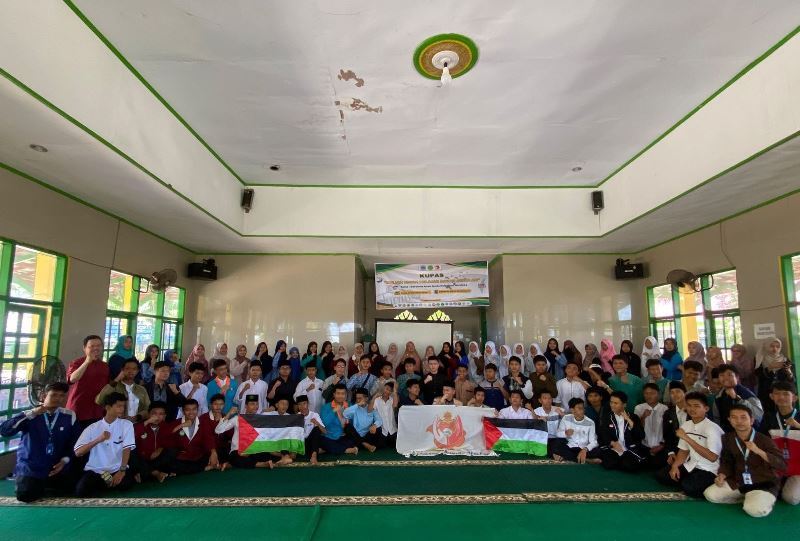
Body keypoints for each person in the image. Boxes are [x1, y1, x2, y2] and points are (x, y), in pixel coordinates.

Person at [0, 382, 80, 502]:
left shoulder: (69, 416)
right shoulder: (30, 415)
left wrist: (64, 461)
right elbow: (5, 431)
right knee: (25, 495)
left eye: (62, 396)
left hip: (55, 467)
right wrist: (32, 413)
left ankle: (44, 485)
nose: (58, 399)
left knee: (74, 490)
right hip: (31, 467)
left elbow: (75, 442)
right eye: (54, 395)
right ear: (43, 396)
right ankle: (28, 481)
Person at [705, 404, 787, 517]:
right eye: (734, 417)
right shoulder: (727, 438)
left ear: (752, 420)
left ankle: (763, 499)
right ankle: (746, 498)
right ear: (729, 420)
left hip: (763, 483)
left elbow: (782, 465)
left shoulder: (765, 440)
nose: (739, 421)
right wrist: (722, 475)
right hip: (739, 482)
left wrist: (758, 451)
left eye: (743, 417)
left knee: (754, 511)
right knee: (710, 495)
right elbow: (726, 461)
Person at [656, 391, 724, 497]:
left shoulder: (712, 428)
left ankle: (711, 483)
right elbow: (683, 451)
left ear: (706, 409)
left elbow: (712, 457)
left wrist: (687, 438)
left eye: (696, 406)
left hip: (709, 469)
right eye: (689, 405)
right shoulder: (687, 425)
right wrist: (675, 466)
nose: (692, 409)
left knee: (689, 487)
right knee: (663, 476)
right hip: (691, 465)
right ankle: (689, 481)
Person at [73, 392, 136, 497]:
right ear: (108, 407)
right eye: (118, 406)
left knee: (126, 484)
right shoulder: (92, 428)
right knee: (81, 491)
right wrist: (98, 439)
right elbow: (78, 452)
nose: (122, 409)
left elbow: (127, 449)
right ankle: (106, 483)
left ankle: (107, 483)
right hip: (96, 470)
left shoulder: (127, 425)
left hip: (117, 468)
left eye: (123, 406)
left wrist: (122, 470)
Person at [757, 381, 800, 505]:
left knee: (791, 498)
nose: (781, 397)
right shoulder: (769, 417)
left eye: (786, 394)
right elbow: (761, 440)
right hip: (776, 465)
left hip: (798, 468)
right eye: (777, 394)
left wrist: (798, 426)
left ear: (794, 397)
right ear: (771, 396)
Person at [216, 395, 274, 469]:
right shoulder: (237, 419)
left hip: (253, 450)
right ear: (246, 406)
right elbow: (218, 430)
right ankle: (260, 464)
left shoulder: (259, 419)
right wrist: (229, 414)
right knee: (235, 458)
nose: (255, 406)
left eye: (257, 404)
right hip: (238, 451)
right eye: (252, 404)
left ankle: (231, 465)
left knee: (266, 454)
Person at [597, 391, 647, 472]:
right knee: (609, 463)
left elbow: (641, 435)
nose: (612, 405)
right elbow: (603, 434)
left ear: (624, 404)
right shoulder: (606, 417)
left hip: (629, 448)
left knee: (631, 466)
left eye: (616, 403)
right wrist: (612, 443)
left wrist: (628, 420)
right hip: (614, 448)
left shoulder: (633, 417)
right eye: (611, 402)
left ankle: (625, 461)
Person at [67, 335, 110, 429]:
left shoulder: (105, 366)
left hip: (97, 411)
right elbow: (72, 379)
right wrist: (87, 362)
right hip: (78, 410)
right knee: (76, 441)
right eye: (92, 346)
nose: (96, 348)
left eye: (99, 345)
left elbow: (106, 387)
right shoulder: (76, 363)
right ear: (84, 348)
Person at [169, 399, 219, 474]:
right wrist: (181, 425)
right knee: (172, 464)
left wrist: (213, 452)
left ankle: (193, 469)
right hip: (182, 457)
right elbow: (168, 436)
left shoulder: (203, 422)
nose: (191, 412)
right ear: (183, 411)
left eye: (194, 409)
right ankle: (203, 468)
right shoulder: (176, 423)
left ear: (197, 410)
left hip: (198, 456)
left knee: (215, 453)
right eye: (188, 410)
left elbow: (208, 438)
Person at [95, 358, 150, 423]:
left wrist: (137, 417)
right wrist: (117, 379)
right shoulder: (114, 387)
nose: (131, 371)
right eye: (127, 368)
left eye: (134, 369)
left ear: (137, 371)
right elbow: (99, 400)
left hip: (136, 425)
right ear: (122, 370)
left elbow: (147, 408)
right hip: (115, 424)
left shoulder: (141, 389)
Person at [133, 401, 176, 483]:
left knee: (172, 451)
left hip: (156, 460)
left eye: (161, 414)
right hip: (142, 459)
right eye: (154, 413)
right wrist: (147, 422)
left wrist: (160, 449)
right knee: (133, 455)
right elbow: (132, 436)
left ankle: (146, 472)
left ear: (164, 416)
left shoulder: (166, 426)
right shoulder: (141, 425)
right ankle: (155, 473)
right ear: (149, 414)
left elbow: (170, 442)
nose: (157, 417)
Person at [713, 365, 764, 432]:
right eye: (722, 375)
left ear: (737, 377)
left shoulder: (747, 393)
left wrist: (737, 398)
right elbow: (717, 419)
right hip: (728, 436)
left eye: (729, 375)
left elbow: (758, 415)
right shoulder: (718, 397)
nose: (725, 378)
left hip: (749, 434)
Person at [552, 398, 601, 464]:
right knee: (556, 443)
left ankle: (570, 457)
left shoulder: (590, 422)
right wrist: (565, 433)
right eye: (579, 408)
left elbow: (594, 442)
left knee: (598, 451)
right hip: (570, 446)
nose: (583, 410)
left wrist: (585, 449)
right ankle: (586, 460)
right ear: (572, 410)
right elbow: (558, 433)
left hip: (584, 448)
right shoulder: (566, 418)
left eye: (583, 408)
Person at [755, 338, 795, 413]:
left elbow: (792, 380)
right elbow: (757, 374)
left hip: (782, 392)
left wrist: (789, 372)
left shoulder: (785, 360)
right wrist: (770, 368)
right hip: (766, 392)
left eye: (777, 347)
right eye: (772, 346)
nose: (775, 349)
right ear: (766, 346)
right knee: (768, 413)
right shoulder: (759, 358)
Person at [635, 383, 668, 467]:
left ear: (658, 394)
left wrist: (662, 446)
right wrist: (643, 417)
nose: (649, 396)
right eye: (646, 393)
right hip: (644, 445)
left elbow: (669, 431)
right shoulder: (639, 408)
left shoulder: (665, 409)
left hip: (660, 446)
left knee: (658, 464)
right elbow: (636, 430)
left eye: (652, 393)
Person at [319, 384, 358, 455]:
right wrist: (333, 411)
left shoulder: (349, 405)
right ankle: (348, 450)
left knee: (353, 439)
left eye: (343, 394)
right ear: (334, 394)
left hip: (345, 437)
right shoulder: (326, 407)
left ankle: (328, 449)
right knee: (324, 442)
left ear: (346, 395)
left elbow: (354, 422)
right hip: (330, 437)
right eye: (338, 393)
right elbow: (324, 423)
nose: (340, 396)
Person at [344, 388, 384, 452]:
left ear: (366, 398)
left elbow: (380, 420)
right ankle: (365, 444)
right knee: (347, 427)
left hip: (367, 435)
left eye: (360, 398)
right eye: (357, 398)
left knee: (379, 431)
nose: (358, 400)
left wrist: (374, 425)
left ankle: (360, 444)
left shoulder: (371, 407)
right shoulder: (355, 407)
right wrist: (358, 404)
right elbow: (345, 414)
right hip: (356, 435)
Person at [663, 381, 689, 467]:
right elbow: (667, 435)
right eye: (672, 393)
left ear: (685, 393)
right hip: (675, 448)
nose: (675, 395)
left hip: (692, 448)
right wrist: (671, 452)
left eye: (678, 391)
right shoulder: (668, 413)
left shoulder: (693, 411)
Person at [296, 394, 326, 464]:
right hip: (302, 443)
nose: (302, 407)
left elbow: (325, 431)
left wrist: (317, 423)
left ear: (308, 404)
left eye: (304, 404)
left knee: (316, 429)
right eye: (299, 404)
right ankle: (317, 450)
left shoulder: (314, 415)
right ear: (297, 406)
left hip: (313, 440)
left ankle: (314, 455)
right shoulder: (296, 416)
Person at [372, 381, 399, 448]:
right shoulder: (376, 400)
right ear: (383, 388)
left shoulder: (392, 400)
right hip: (382, 430)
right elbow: (370, 411)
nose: (387, 391)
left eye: (390, 390)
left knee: (395, 447)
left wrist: (395, 391)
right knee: (380, 448)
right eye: (386, 389)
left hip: (392, 430)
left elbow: (395, 405)